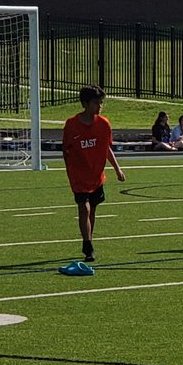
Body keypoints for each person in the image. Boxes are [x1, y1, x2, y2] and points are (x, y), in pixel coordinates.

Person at [62, 85, 126, 261]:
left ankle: (88, 239)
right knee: (84, 207)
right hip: (79, 177)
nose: (100, 106)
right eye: (96, 103)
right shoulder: (72, 125)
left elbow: (106, 148)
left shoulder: (104, 124)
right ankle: (88, 244)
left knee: (93, 210)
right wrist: (71, 171)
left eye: (101, 103)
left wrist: (117, 168)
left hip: (96, 176)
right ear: (85, 103)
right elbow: (66, 150)